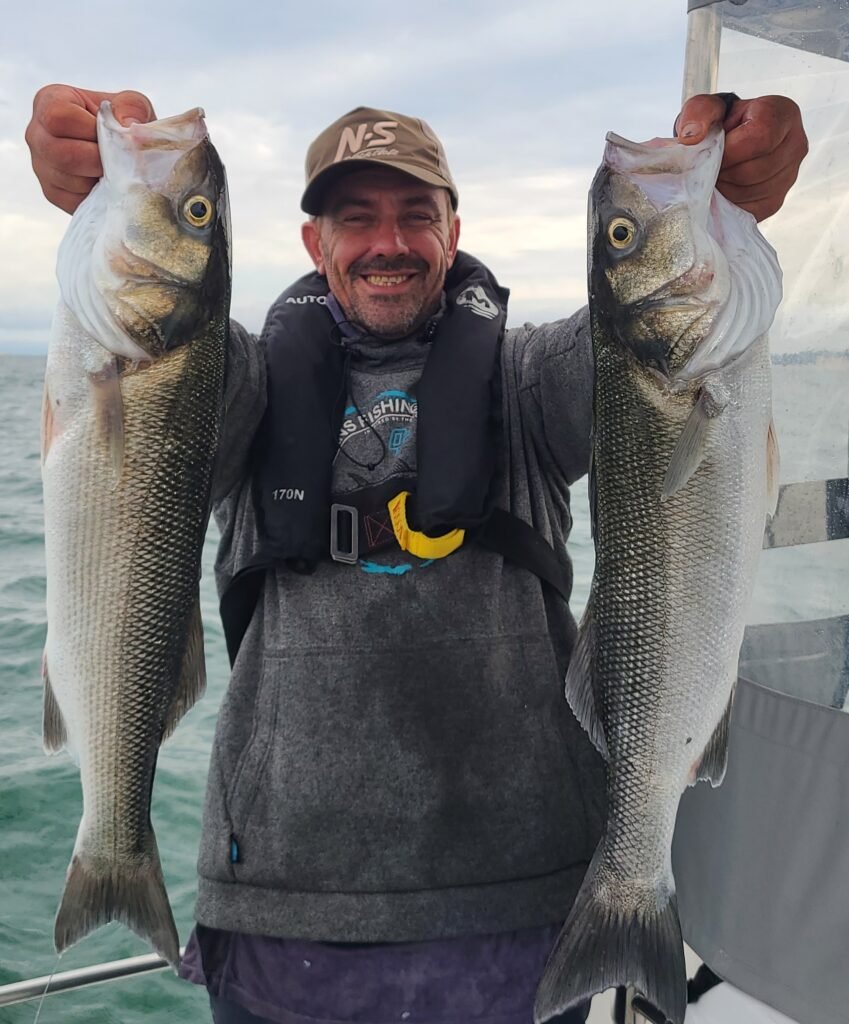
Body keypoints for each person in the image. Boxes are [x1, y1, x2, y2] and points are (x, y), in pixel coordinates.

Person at [25, 84, 807, 1024]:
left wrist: (730, 211)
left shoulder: (526, 377)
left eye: (415, 214)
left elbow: (645, 343)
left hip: (526, 903)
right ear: (316, 243)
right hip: (283, 905)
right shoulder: (238, 380)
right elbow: (155, 379)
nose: (387, 242)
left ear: (453, 229)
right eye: (355, 218)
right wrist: (94, 200)